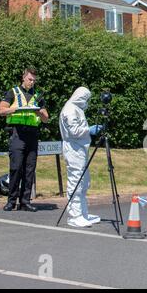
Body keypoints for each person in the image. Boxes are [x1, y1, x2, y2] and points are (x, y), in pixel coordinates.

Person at [0, 68, 49, 212]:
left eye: (34, 80)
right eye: (29, 79)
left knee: (29, 169)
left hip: (32, 134)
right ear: (23, 78)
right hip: (17, 134)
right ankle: (11, 201)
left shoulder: (37, 95)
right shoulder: (12, 92)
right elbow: (0, 110)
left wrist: (38, 110)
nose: (32, 82)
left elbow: (46, 119)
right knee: (16, 168)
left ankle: (25, 202)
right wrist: (15, 109)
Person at [59, 87, 103, 228]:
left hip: (80, 149)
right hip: (73, 149)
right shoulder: (70, 109)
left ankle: (83, 213)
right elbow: (74, 131)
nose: (86, 102)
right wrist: (89, 130)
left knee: (83, 182)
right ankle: (74, 216)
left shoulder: (77, 108)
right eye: (85, 98)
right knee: (76, 182)